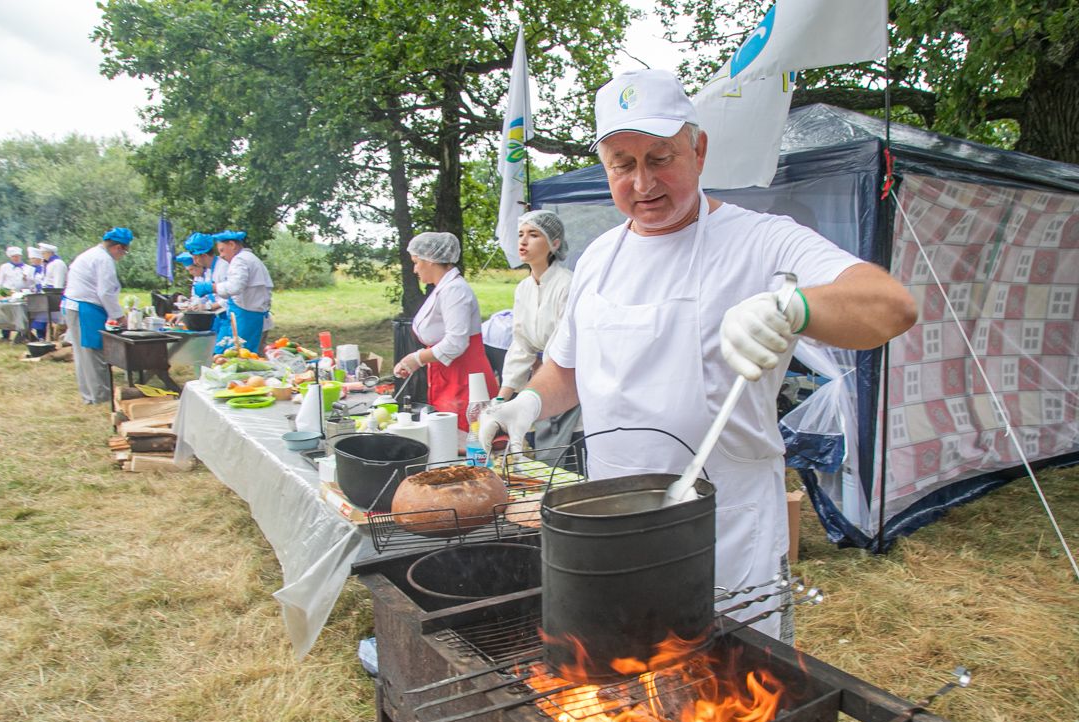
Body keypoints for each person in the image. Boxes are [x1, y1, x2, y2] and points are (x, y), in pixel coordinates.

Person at [480, 70, 917, 643]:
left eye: (660, 158)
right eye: (622, 164)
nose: (642, 182)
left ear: (699, 149)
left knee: (733, 692)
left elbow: (891, 306)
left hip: (726, 529)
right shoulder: (599, 258)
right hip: (614, 525)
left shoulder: (761, 240)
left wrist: (794, 306)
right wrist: (528, 401)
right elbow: (569, 369)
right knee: (631, 678)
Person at [495, 210, 581, 463]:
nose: (523, 241)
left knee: (567, 459)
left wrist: (542, 377)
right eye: (521, 234)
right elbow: (521, 344)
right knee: (543, 458)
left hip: (567, 380)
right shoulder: (523, 289)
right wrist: (502, 396)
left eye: (533, 235)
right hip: (542, 381)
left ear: (554, 244)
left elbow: (564, 342)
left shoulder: (568, 284)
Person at [392, 232, 499, 431]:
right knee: (449, 435)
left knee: (465, 439)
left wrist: (417, 358)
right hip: (450, 373)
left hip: (465, 377)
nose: (415, 269)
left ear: (430, 260)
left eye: (416, 262)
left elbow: (456, 342)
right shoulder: (445, 288)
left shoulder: (454, 290)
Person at [63, 228, 132, 404]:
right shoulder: (103, 259)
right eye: (125, 251)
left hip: (76, 306)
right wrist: (119, 317)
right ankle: (100, 397)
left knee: (83, 355)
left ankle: (90, 395)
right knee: (94, 353)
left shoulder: (92, 254)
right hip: (85, 308)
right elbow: (106, 292)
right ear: (118, 247)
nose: (123, 255)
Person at [210, 230, 273, 354]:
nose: (221, 256)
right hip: (250, 314)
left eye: (222, 250)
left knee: (243, 356)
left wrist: (212, 288)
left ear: (232, 245)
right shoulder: (249, 258)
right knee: (248, 354)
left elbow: (235, 287)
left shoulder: (240, 260)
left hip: (247, 316)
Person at [0, 247, 31, 340]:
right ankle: (5, 334)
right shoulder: (4, 267)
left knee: (20, 313)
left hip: (20, 293)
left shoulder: (26, 268)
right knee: (6, 313)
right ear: (10, 257)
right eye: (14, 256)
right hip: (7, 292)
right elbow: (0, 282)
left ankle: (22, 333)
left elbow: (30, 283)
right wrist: (1, 294)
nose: (16, 258)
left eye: (18, 256)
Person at [25, 247, 48, 339]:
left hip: (42, 294)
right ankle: (35, 335)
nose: (32, 261)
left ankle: (42, 335)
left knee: (42, 317)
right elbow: (29, 283)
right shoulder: (29, 269)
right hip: (34, 294)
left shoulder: (44, 267)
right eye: (31, 259)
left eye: (34, 258)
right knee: (34, 315)